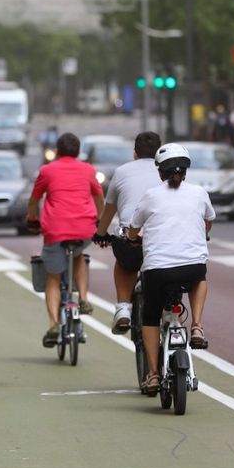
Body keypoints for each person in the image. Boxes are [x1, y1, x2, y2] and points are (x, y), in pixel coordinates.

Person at [128, 143, 215, 394]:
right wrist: (202, 233)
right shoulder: (199, 193)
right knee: (200, 278)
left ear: (160, 173)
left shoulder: (151, 196)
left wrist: (133, 237)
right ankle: (197, 325)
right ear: (186, 171)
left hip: (157, 270)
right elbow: (208, 220)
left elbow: (134, 229)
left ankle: (153, 375)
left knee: (150, 316)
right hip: (192, 267)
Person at [26, 132, 104, 347]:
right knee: (79, 256)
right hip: (84, 228)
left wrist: (32, 219)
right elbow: (99, 198)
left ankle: (53, 324)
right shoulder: (88, 170)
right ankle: (84, 299)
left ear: (58, 151)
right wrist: (100, 222)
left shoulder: (47, 171)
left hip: (55, 229)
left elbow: (34, 200)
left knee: (53, 277)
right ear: (78, 152)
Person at [93, 131, 162, 334]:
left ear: (134, 153)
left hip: (132, 239)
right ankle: (169, 311)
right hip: (163, 239)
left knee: (124, 264)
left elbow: (110, 209)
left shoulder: (122, 172)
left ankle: (123, 307)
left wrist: (100, 233)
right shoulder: (167, 171)